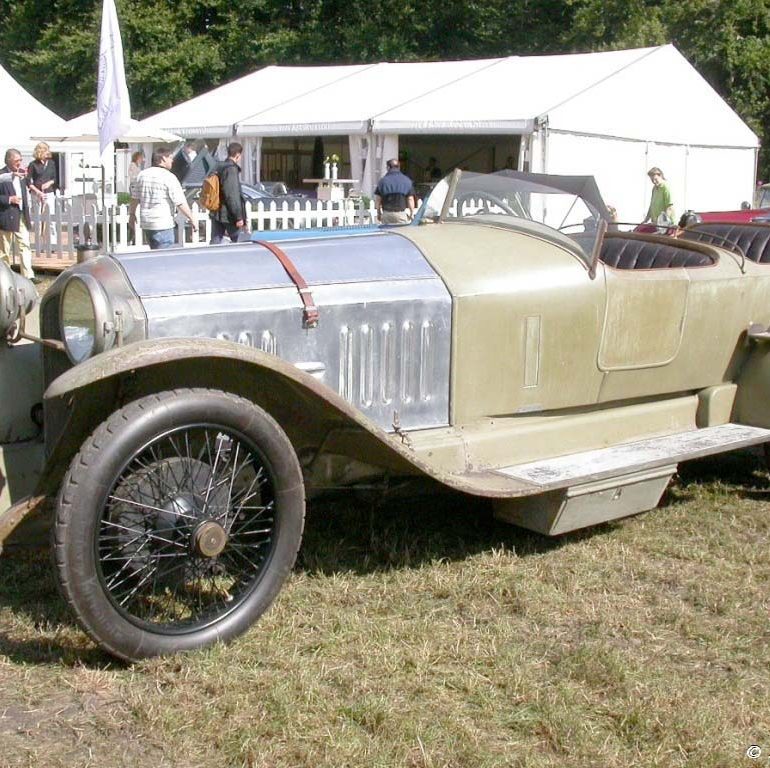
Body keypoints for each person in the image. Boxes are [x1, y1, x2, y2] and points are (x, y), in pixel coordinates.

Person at [129, 146, 195, 250]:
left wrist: (132, 215)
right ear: (163, 159)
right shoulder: (169, 177)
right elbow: (180, 202)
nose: (172, 160)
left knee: (154, 253)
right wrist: (191, 218)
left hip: (147, 223)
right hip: (163, 223)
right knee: (165, 259)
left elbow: (134, 198)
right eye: (170, 157)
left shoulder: (142, 175)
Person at [0, 148, 38, 282]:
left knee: (25, 245)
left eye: (21, 160)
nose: (19, 163)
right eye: (17, 160)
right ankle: (5, 277)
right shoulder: (1, 175)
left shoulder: (22, 175)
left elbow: (27, 189)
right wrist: (9, 199)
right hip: (6, 215)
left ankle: (28, 276)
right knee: (5, 250)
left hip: (21, 214)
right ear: (9, 160)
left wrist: (38, 194)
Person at [210, 141, 246, 244]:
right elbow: (232, 195)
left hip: (216, 210)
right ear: (238, 155)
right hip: (228, 214)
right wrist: (238, 217)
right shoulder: (231, 169)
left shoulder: (219, 167)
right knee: (238, 241)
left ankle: (209, 259)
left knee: (215, 242)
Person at [27, 141, 58, 243]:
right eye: (46, 151)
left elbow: (54, 178)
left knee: (51, 218)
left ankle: (52, 243)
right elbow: (29, 182)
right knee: (38, 220)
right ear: (41, 152)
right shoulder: (33, 164)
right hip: (36, 193)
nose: (48, 153)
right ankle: (38, 243)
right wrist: (38, 192)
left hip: (49, 193)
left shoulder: (52, 163)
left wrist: (49, 183)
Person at [375, 158, 416, 225]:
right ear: (399, 167)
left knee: (387, 234)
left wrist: (378, 213)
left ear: (388, 167)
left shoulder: (382, 181)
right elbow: (410, 199)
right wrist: (411, 213)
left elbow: (378, 200)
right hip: (400, 215)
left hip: (387, 214)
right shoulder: (407, 180)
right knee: (401, 234)